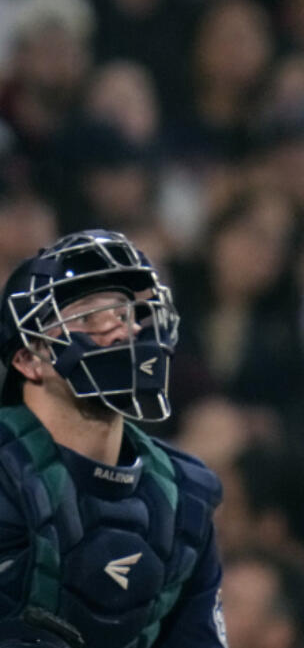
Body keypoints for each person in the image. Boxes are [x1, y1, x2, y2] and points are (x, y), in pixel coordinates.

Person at [0, 229, 226, 647]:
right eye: (88, 319)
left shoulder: (184, 497)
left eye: (124, 315)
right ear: (29, 359)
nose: (121, 332)